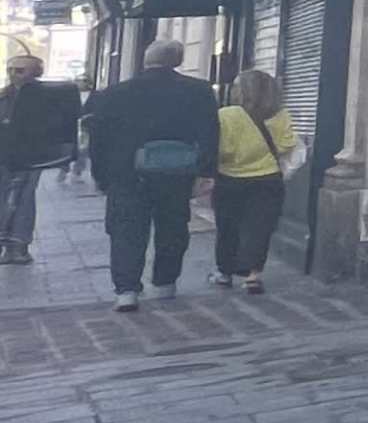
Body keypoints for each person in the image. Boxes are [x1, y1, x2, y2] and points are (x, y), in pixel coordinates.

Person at [84, 39, 220, 310]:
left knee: (126, 231)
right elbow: (210, 134)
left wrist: (100, 175)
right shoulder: (199, 91)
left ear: (146, 60)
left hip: (127, 173)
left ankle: (126, 290)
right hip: (176, 172)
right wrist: (205, 170)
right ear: (178, 61)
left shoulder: (115, 93)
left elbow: (99, 139)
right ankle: (165, 283)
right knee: (173, 227)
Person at [212, 68, 298, 294]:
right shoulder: (279, 114)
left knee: (227, 227)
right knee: (260, 227)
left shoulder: (226, 114)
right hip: (267, 178)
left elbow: (221, 149)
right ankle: (253, 275)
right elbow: (287, 145)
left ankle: (225, 273)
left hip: (230, 178)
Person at [0, 50, 82, 265]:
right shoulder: (3, 95)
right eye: (10, 69)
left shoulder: (46, 97)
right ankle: (6, 244)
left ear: (35, 73)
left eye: (19, 70)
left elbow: (61, 123)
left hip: (30, 154)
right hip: (4, 153)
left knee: (24, 199)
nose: (13, 74)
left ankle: (19, 245)